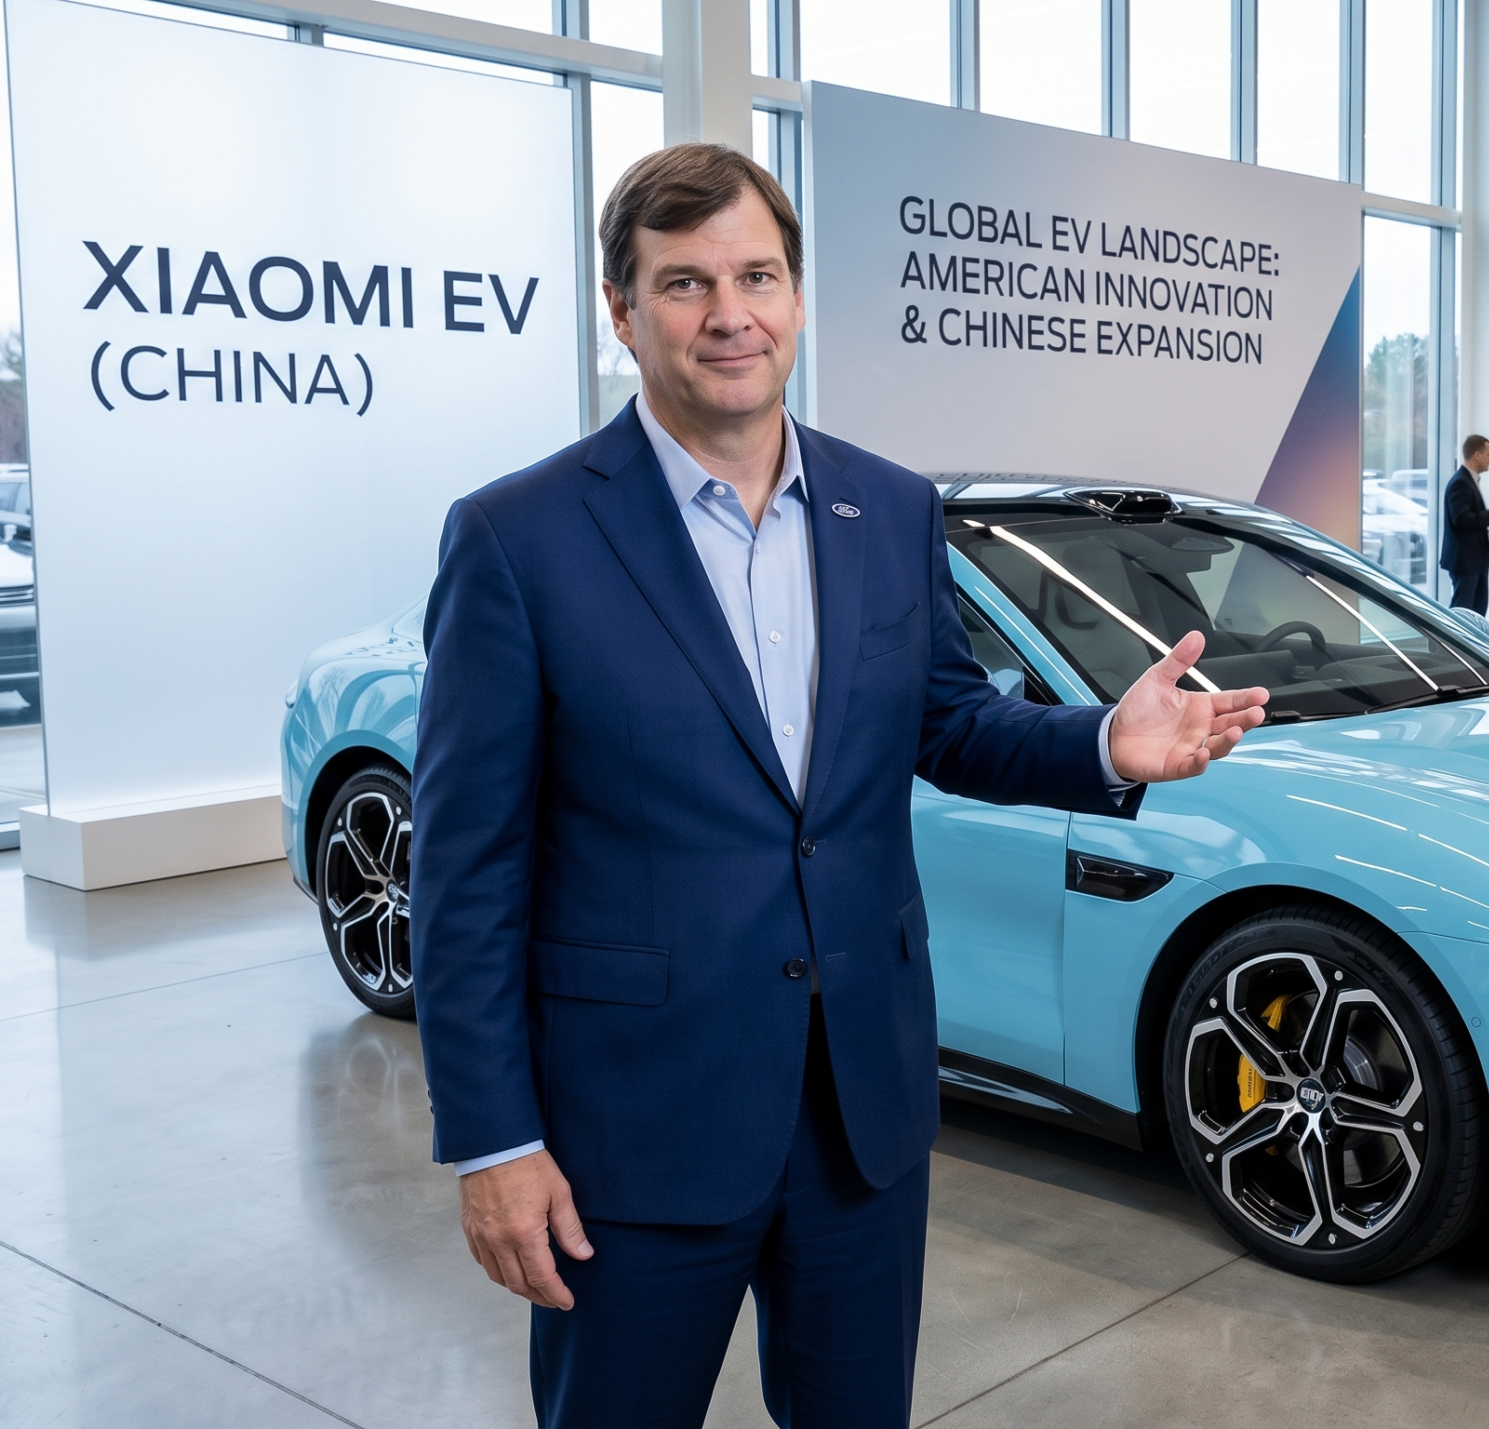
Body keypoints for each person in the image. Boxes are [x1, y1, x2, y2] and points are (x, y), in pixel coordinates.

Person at [412, 144, 1270, 1429]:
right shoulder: (517, 537)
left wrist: (1101, 743)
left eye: (757, 276)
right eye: (685, 283)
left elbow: (947, 722)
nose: (730, 314)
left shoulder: (888, 506)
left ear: (799, 297)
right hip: (633, 1127)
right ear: (622, 311)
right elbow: (465, 871)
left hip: (858, 1107)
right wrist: (494, 1141)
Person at [1442, 436, 1489, 614]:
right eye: (1488, 454)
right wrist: (1488, 515)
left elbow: (1470, 517)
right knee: (1463, 611)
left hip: (1476, 560)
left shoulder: (1469, 480)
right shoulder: (1460, 482)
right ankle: (1451, 634)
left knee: (1477, 611)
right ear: (1477, 455)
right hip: (1466, 560)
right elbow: (1461, 519)